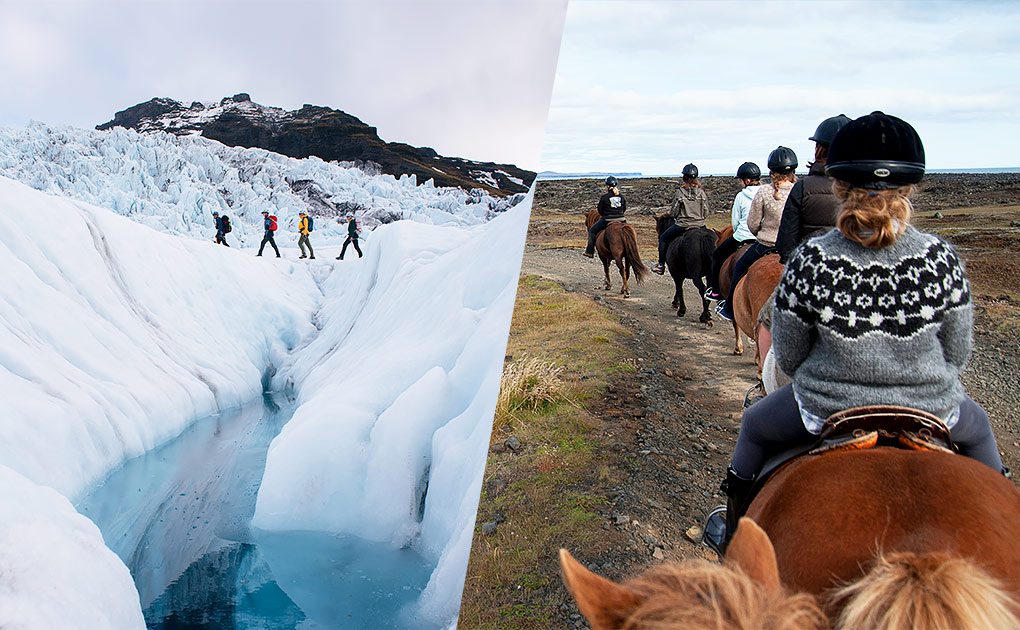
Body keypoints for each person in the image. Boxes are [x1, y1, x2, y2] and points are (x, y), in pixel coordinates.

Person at [706, 111, 1005, 551]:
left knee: (754, 425)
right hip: (931, 405)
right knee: (983, 441)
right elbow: (957, 354)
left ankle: (732, 533)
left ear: (839, 185)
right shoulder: (940, 258)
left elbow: (787, 356)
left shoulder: (812, 260)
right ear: (908, 188)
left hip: (827, 407)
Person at [715, 147, 797, 321]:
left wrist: (761, 233)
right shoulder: (798, 190)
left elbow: (752, 223)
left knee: (740, 266)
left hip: (766, 245)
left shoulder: (765, 191)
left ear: (771, 171)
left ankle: (729, 308)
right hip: (792, 247)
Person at [774, 114, 852, 264]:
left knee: (739, 268)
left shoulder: (803, 187)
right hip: (854, 270)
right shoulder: (865, 188)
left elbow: (786, 242)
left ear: (819, 149)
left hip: (811, 266)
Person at [704, 162, 761, 300]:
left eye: (741, 180)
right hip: (762, 239)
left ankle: (716, 291)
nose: (740, 183)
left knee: (717, 256)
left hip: (743, 237)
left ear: (747, 180)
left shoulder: (741, 196)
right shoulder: (766, 193)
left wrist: (739, 231)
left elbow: (735, 222)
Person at [651, 163, 709, 274]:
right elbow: (706, 211)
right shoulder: (702, 193)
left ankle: (661, 265)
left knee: (663, 238)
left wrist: (669, 215)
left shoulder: (680, 193)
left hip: (683, 225)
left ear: (684, 177)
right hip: (700, 225)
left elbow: (674, 212)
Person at [583, 176, 626, 258]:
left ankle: (589, 251)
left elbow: (600, 211)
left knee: (592, 231)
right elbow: (624, 209)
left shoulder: (604, 197)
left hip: (607, 219)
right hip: (622, 219)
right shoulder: (621, 197)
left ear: (607, 186)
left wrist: (606, 214)